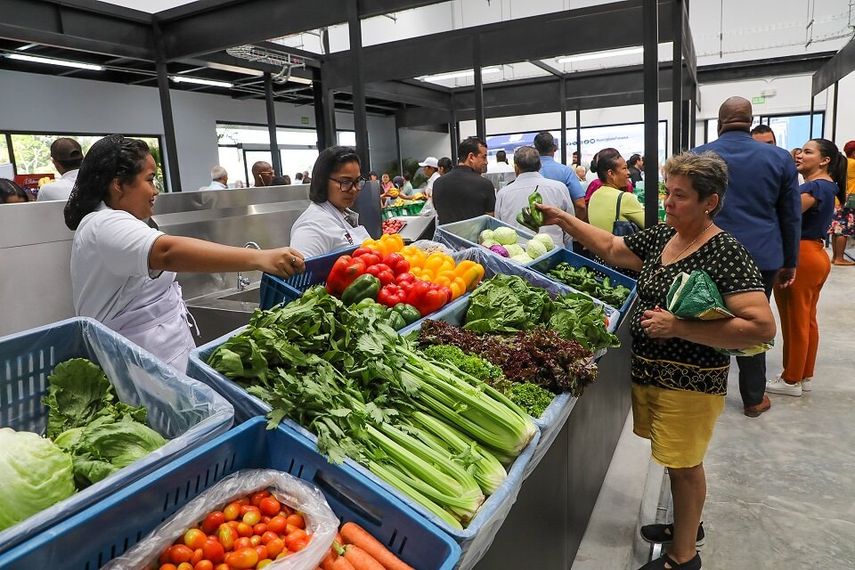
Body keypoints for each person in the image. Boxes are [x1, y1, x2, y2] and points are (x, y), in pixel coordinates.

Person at [537, 151, 775, 570]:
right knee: (672, 457)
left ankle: (683, 557)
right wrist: (563, 219)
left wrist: (680, 327)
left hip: (692, 382)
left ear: (710, 202)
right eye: (668, 192)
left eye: (681, 196)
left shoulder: (725, 251)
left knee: (684, 466)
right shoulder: (665, 236)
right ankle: (687, 525)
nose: (668, 203)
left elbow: (761, 326)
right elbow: (612, 247)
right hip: (654, 375)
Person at [64, 135, 305, 371]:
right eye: (150, 180)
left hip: (159, 358)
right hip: (132, 366)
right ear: (118, 185)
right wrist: (259, 258)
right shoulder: (104, 224)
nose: (155, 190)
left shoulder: (128, 222)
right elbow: (167, 252)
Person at [693, 96, 801, 418]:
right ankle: (753, 399)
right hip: (761, 254)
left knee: (700, 318)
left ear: (719, 122)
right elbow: (790, 215)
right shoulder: (780, 158)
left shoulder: (698, 156)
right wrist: (789, 260)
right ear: (751, 122)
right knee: (752, 323)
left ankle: (699, 392)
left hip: (708, 252)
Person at [767, 139, 847, 397]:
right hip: (813, 253)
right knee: (805, 319)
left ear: (824, 160)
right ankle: (803, 374)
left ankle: (791, 379)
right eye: (800, 150)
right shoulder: (827, 186)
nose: (800, 155)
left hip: (801, 253)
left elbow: (787, 214)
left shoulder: (815, 187)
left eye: (807, 152)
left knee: (796, 320)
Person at [289, 146, 372, 258]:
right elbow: (303, 272)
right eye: (345, 182)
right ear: (322, 181)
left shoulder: (343, 214)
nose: (354, 189)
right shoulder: (311, 228)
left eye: (357, 181)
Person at [494, 146, 574, 246]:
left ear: (516, 167)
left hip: (517, 256)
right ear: (540, 166)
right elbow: (570, 225)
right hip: (554, 252)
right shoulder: (559, 188)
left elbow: (498, 227)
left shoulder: (503, 193)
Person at [432, 136, 495, 225]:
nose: (486, 162)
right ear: (471, 157)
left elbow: (438, 211)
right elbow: (489, 220)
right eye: (484, 157)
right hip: (473, 238)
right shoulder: (484, 184)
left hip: (447, 237)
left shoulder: (438, 183)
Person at [588, 148, 646, 233]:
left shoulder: (594, 195)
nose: (628, 173)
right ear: (611, 173)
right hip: (618, 245)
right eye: (624, 168)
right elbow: (652, 225)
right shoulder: (625, 198)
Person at [534, 131, 586, 220]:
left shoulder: (528, 171)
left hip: (532, 225)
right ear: (554, 148)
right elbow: (580, 205)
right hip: (560, 226)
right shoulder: (566, 171)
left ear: (535, 150)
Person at [828, 140, 855, 265]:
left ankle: (835, 257)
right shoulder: (854, 163)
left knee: (837, 228)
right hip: (849, 199)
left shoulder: (842, 162)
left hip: (838, 198)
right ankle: (840, 258)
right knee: (844, 229)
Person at [37, 137, 83, 202]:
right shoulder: (100, 183)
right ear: (83, 159)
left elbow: (40, 211)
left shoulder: (47, 190)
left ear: (55, 163)